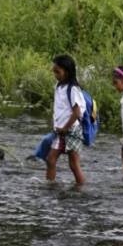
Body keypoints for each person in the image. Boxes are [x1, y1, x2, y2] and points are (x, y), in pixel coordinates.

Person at [46, 55, 86, 185]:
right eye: (54, 71)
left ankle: (80, 188)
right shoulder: (58, 86)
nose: (55, 75)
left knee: (73, 164)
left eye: (58, 72)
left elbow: (77, 112)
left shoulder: (73, 89)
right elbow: (60, 108)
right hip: (61, 131)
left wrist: (65, 128)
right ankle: (51, 186)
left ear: (67, 72)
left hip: (71, 130)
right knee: (51, 160)